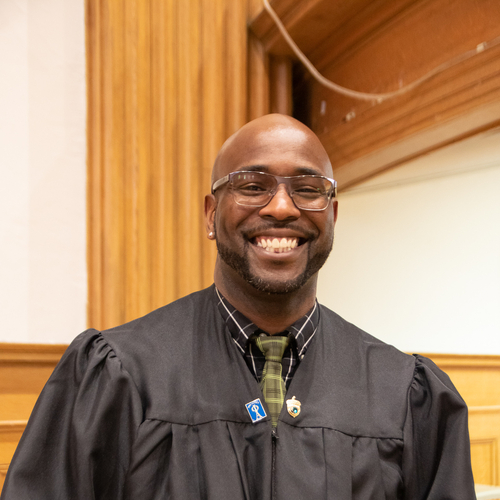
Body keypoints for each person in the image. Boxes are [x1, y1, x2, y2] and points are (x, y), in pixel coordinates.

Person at [1, 114, 476, 499]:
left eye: (308, 189)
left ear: (331, 216)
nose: (283, 208)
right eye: (253, 185)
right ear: (211, 214)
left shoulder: (405, 395)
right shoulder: (118, 377)